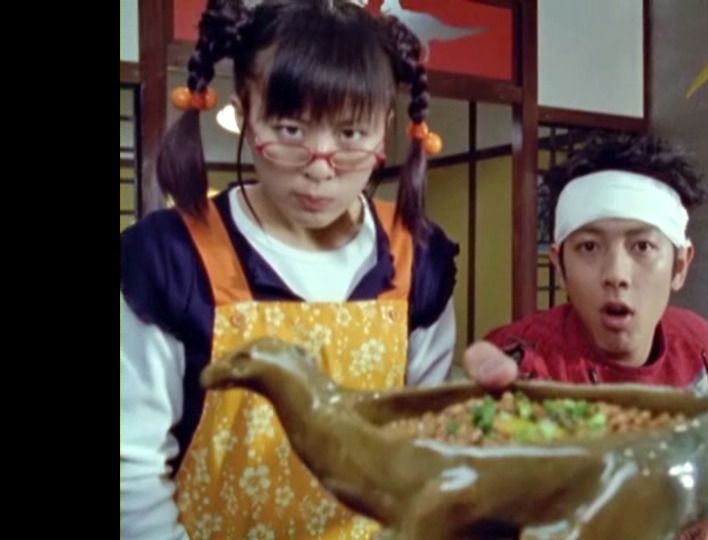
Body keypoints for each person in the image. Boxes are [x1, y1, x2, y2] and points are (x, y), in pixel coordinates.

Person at [120, 1, 458, 538]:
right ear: (243, 112)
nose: (319, 166)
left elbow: (426, 439)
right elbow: (132, 466)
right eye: (291, 129)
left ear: (387, 129)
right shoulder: (172, 256)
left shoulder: (416, 256)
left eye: (351, 134)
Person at [464, 132, 708, 540]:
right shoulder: (524, 370)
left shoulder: (702, 351)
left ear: (680, 265)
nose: (616, 275)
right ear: (560, 267)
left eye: (642, 246)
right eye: (590, 247)